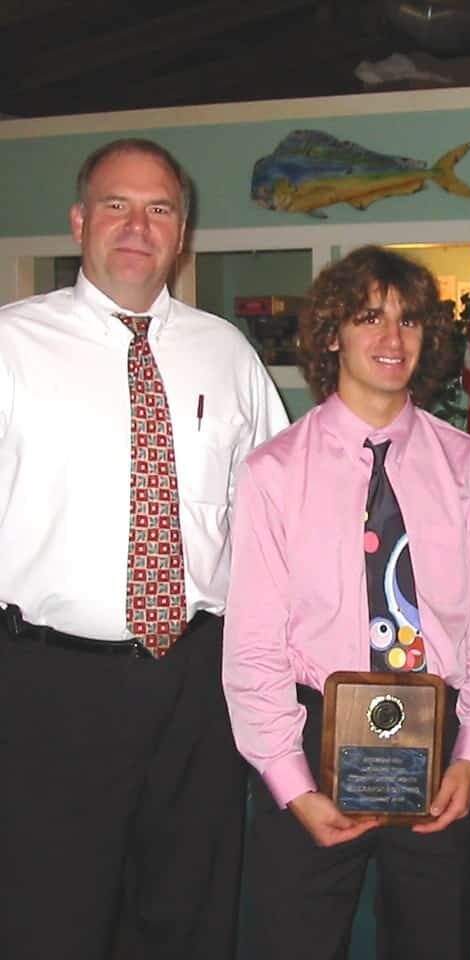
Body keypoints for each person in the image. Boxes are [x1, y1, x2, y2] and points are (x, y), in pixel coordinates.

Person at [0, 138, 288, 960]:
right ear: (80, 221)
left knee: (188, 911)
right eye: (117, 205)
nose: (137, 225)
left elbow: (279, 513)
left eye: (159, 208)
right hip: (47, 683)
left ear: (182, 231)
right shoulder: (10, 346)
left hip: (198, 682)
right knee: (46, 914)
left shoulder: (226, 353)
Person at [223, 245, 470, 960]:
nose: (392, 339)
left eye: (409, 320)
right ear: (330, 334)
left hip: (438, 742)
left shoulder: (468, 467)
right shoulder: (274, 474)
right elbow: (253, 644)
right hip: (311, 736)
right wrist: (292, 785)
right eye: (369, 317)